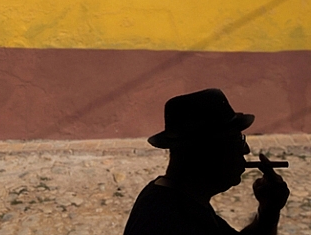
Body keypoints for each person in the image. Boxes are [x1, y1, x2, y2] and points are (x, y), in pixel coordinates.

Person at [123, 89, 290, 235]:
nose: (246, 149)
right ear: (207, 152)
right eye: (237, 140)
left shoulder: (175, 198)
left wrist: (269, 210)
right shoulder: (173, 221)